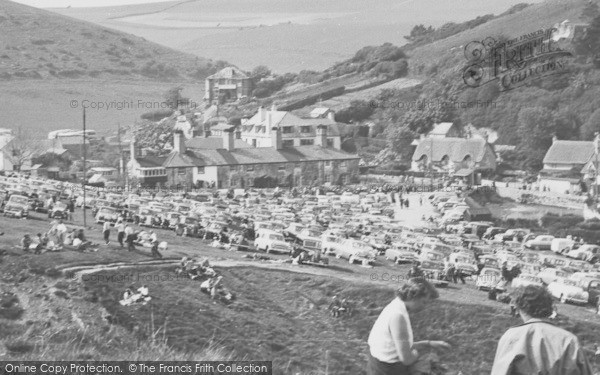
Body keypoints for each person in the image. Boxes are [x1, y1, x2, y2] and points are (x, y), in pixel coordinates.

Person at [490, 285, 593, 375]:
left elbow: (500, 372)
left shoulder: (513, 336)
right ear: (550, 308)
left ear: (519, 308)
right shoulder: (570, 340)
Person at [367, 278, 451, 375]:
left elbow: (399, 346)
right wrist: (421, 353)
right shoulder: (398, 317)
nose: (424, 306)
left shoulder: (396, 305)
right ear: (413, 296)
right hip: (387, 369)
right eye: (424, 302)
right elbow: (406, 359)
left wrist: (428, 343)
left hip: (377, 363)